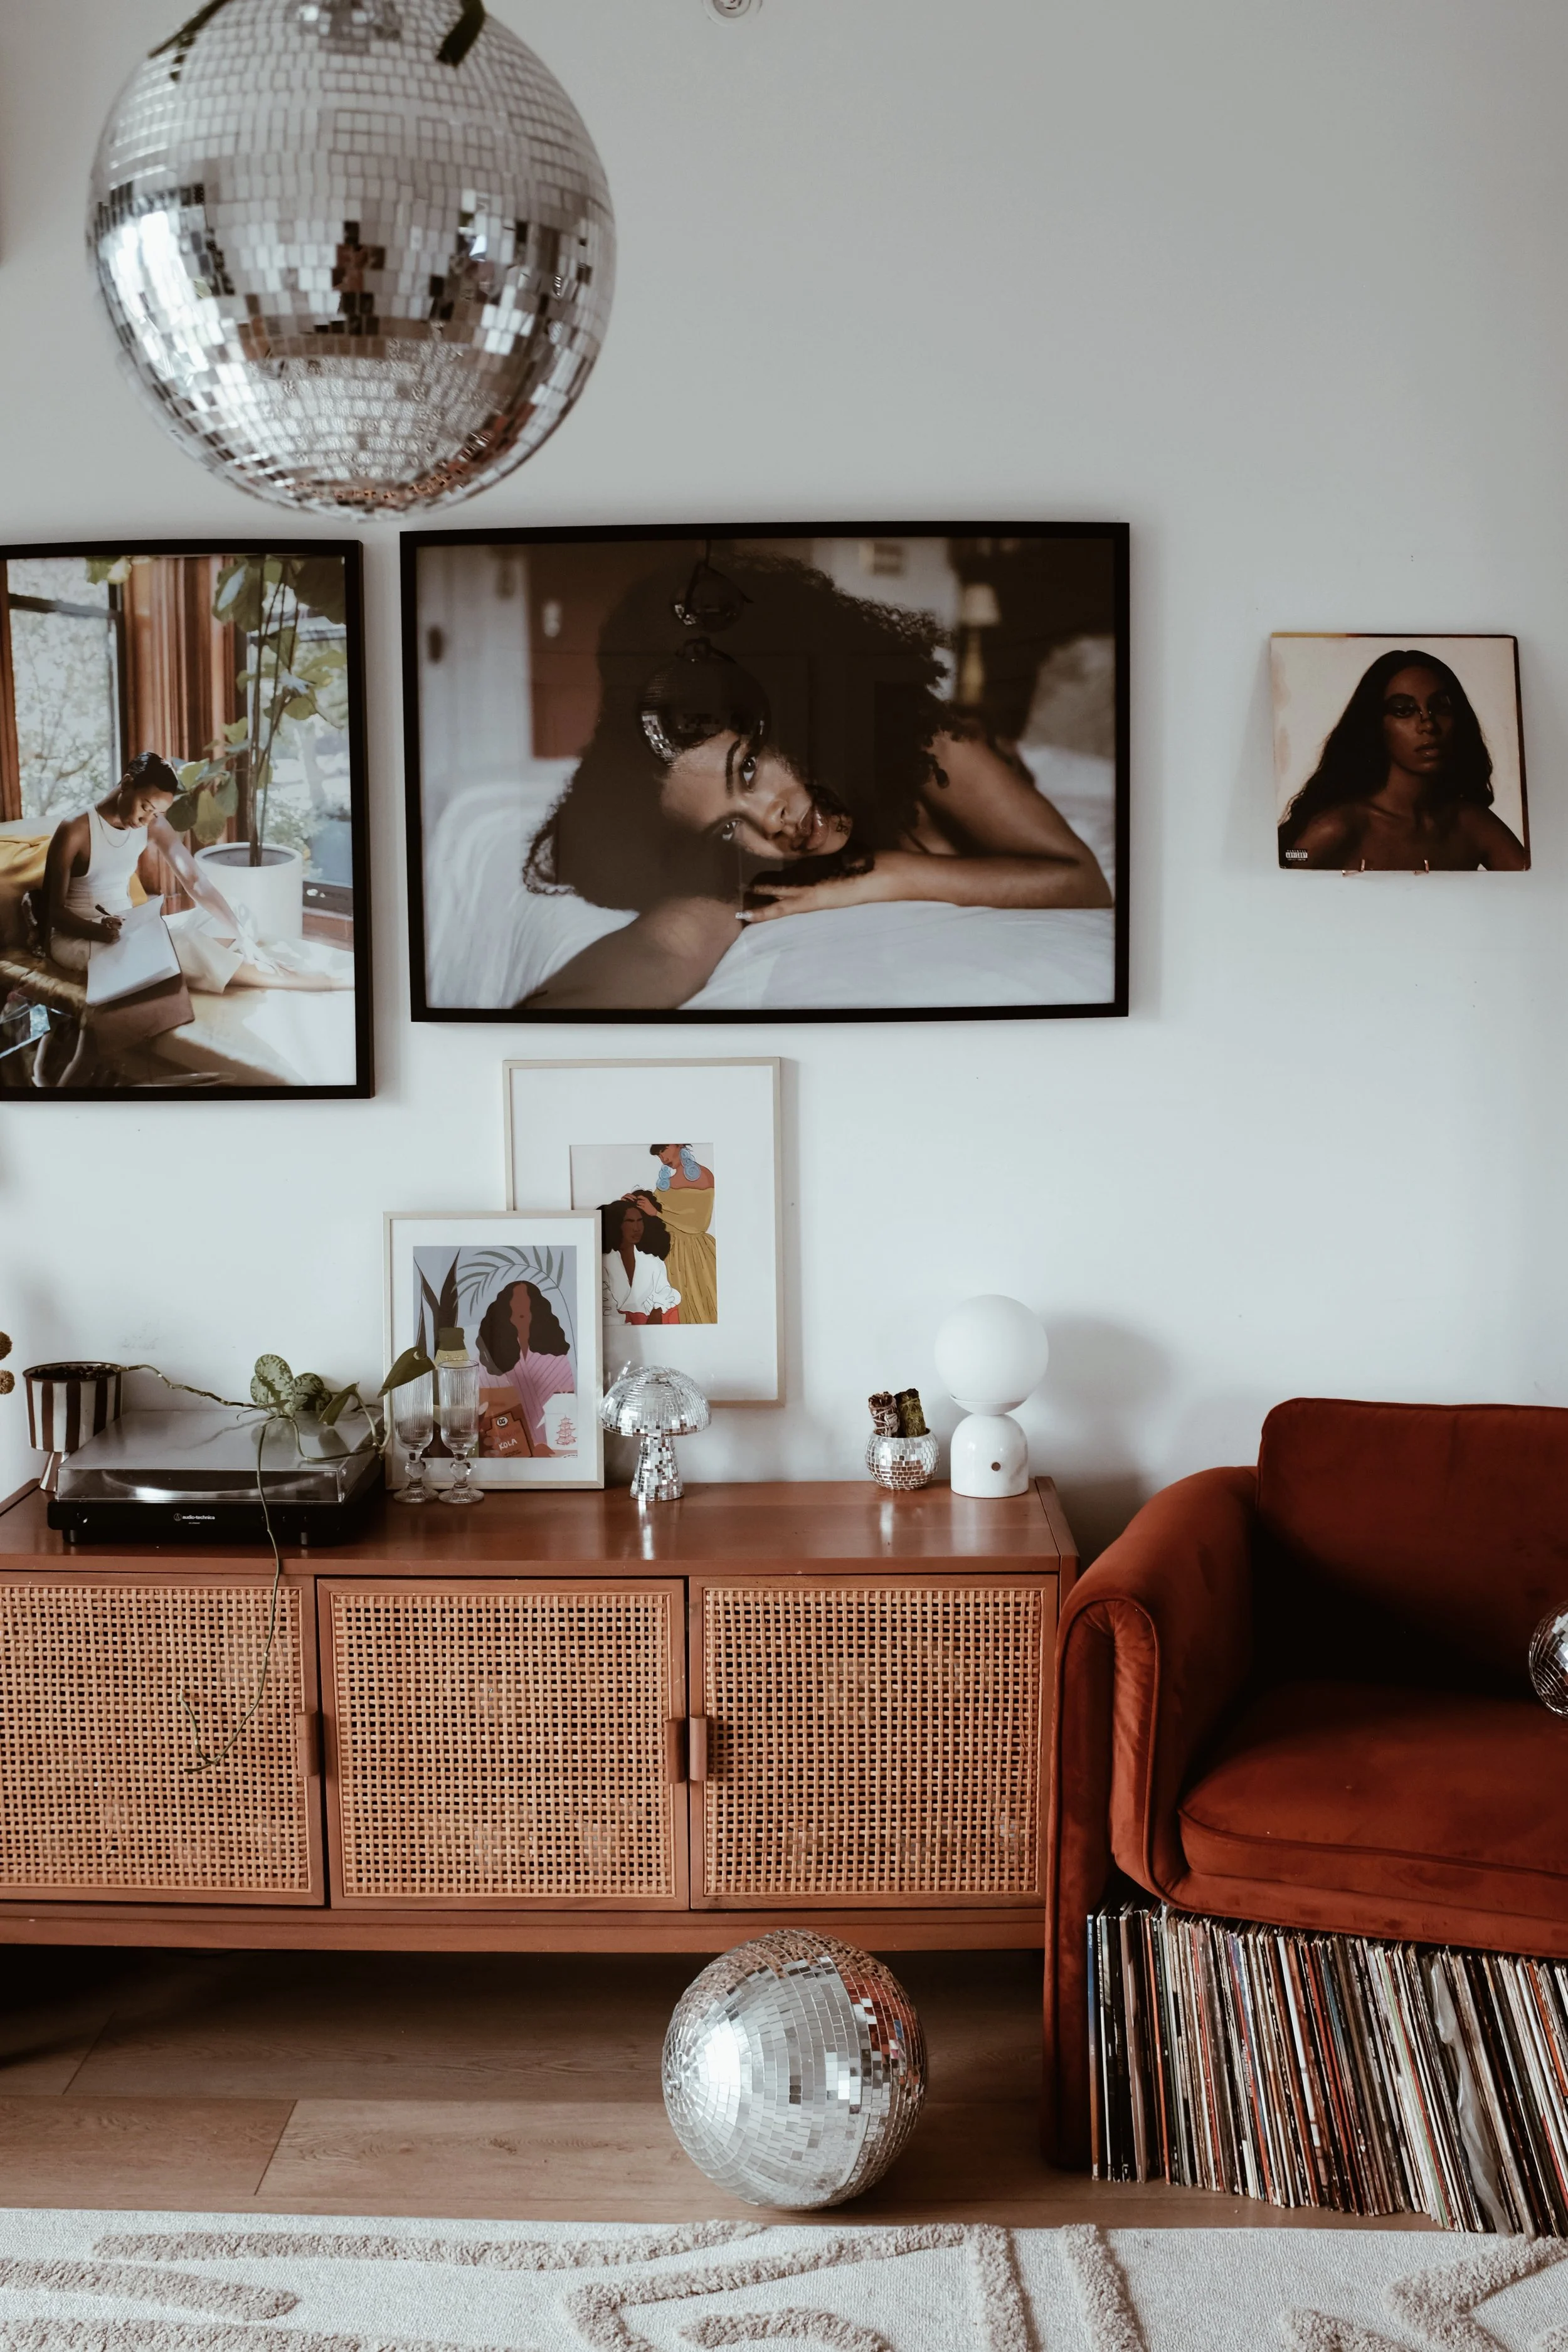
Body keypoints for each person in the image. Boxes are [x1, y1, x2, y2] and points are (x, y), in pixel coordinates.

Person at [522, 553, 1112, 1010]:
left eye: (748, 768)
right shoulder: (765, 855)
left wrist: (882, 875)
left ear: (792, 716)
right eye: (729, 825)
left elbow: (1083, 881)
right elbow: (667, 944)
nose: (770, 822)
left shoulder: (929, 740)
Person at [36, 751, 351, 1086]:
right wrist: (98, 931)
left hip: (128, 927)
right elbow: (52, 913)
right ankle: (298, 979)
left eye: (156, 813)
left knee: (235, 912)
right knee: (185, 943)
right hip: (79, 937)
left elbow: (196, 881)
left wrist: (244, 939)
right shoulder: (76, 829)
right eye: (145, 806)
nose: (147, 819)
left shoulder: (152, 824)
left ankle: (228, 955)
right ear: (127, 784)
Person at [1278, 652, 1528, 872]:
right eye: (1404, 710)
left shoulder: (1471, 823)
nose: (1428, 724)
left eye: (1441, 707)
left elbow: (1539, 890)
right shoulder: (1338, 827)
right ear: (1375, 726)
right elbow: (1280, 887)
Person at [475, 1278, 575, 1456]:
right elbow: (479, 1411)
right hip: (502, 1450)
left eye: (526, 1305)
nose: (520, 1312)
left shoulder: (559, 1360)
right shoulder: (485, 1359)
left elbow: (569, 1413)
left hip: (556, 1450)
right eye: (513, 1306)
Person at [645, 1146, 716, 1325]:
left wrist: (657, 1213)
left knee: (698, 1303)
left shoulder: (704, 1175)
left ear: (679, 1145)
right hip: (666, 1251)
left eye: (664, 1149)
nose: (662, 1157)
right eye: (658, 1154)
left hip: (694, 1253)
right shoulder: (666, 1181)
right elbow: (653, 1215)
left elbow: (699, 1224)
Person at [600, 1197, 682, 1325]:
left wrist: (657, 1310)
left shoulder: (654, 1262)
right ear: (617, 1225)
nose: (637, 1228)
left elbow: (667, 1294)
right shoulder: (604, 1263)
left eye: (640, 1221)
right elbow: (606, 1309)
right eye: (630, 1221)